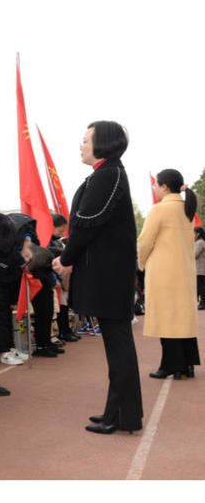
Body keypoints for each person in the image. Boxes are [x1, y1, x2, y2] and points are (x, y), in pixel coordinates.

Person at [54, 121, 143, 436]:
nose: (81, 146)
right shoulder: (107, 173)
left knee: (119, 348)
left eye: (85, 140)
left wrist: (66, 259)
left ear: (102, 143)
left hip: (110, 278)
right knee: (118, 347)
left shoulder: (108, 174)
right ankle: (119, 413)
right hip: (110, 276)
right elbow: (86, 224)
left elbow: (85, 223)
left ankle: (121, 416)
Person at [137, 172, 200, 379]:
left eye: (156, 185)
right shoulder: (187, 209)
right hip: (184, 272)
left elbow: (145, 242)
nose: (155, 188)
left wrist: (141, 263)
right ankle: (187, 364)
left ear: (164, 187)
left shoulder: (159, 209)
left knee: (167, 319)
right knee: (182, 318)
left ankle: (171, 365)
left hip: (163, 273)